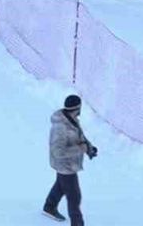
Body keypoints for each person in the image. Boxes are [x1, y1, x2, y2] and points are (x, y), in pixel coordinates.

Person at [44, 94, 97, 224]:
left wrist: (89, 148)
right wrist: (81, 149)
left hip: (69, 164)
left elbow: (80, 137)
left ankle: (49, 207)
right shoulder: (60, 127)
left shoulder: (72, 119)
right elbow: (58, 151)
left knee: (60, 186)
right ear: (77, 108)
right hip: (64, 166)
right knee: (74, 196)